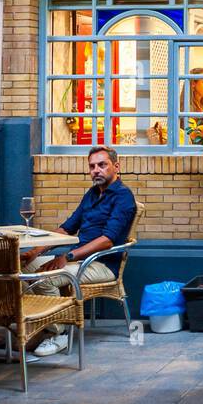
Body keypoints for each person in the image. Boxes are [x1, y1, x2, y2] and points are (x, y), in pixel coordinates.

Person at [26, 146, 137, 357]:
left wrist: (67, 257)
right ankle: (37, 327)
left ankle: (58, 334)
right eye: (92, 166)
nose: (96, 170)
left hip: (102, 264)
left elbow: (107, 241)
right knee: (25, 268)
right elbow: (67, 227)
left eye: (102, 165)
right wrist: (35, 252)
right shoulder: (92, 194)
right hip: (78, 258)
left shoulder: (123, 196)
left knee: (46, 279)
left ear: (116, 166)